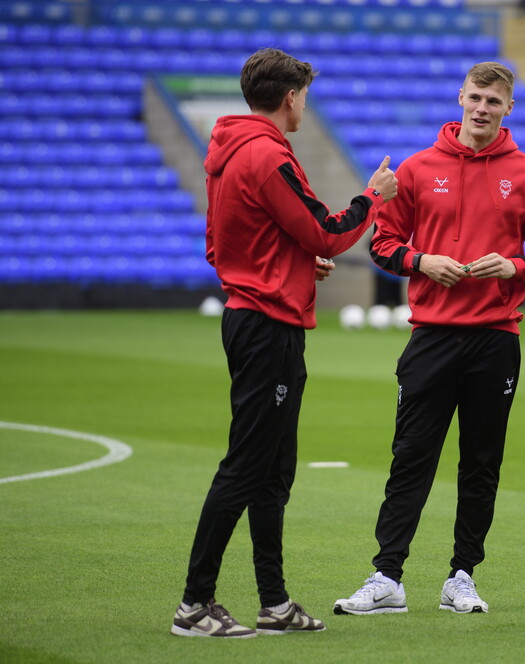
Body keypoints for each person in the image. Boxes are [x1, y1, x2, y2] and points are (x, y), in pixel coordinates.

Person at [171, 48, 397, 638]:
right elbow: (327, 228)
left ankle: (274, 603)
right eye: (305, 96)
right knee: (248, 467)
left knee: (273, 470)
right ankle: (195, 605)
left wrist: (293, 263)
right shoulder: (269, 155)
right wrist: (373, 197)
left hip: (254, 314)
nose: (305, 105)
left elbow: (225, 245)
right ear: (292, 97)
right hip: (267, 326)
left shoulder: (227, 150)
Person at [333, 61, 525, 616]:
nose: (483, 108)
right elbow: (383, 245)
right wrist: (422, 260)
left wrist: (514, 267)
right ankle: (386, 577)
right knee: (410, 457)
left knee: (481, 462)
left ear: (509, 108)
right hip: (432, 337)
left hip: (495, 339)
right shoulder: (418, 169)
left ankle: (462, 577)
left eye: (495, 101)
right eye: (476, 97)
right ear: (460, 97)